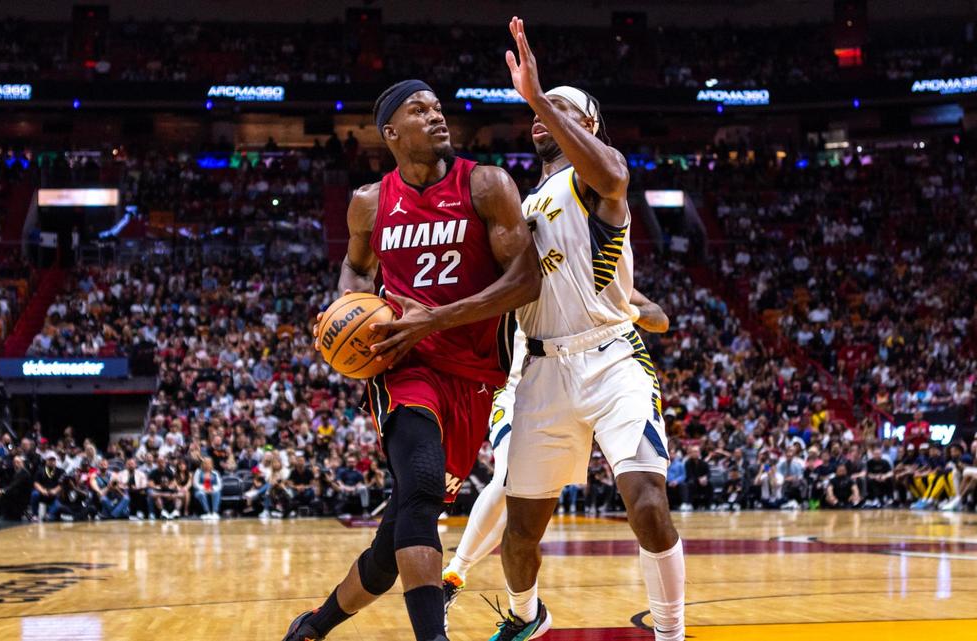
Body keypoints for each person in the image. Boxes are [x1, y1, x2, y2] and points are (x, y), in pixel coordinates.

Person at [283, 75, 540, 641]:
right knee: (421, 488)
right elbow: (355, 268)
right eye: (420, 110)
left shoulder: (487, 186)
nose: (436, 115)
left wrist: (439, 316)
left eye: (438, 107)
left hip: (474, 374)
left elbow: (527, 282)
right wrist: (344, 305)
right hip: (404, 363)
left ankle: (313, 627)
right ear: (392, 132)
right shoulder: (369, 203)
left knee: (394, 538)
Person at [491, 18, 684, 641]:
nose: (544, 118)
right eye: (542, 113)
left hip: (611, 361)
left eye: (565, 111)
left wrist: (538, 94)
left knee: (648, 504)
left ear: (589, 127)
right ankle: (527, 618)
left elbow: (612, 178)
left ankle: (671, 633)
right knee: (519, 534)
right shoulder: (517, 207)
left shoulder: (595, 177)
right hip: (542, 370)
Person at [441, 296, 668, 630]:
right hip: (513, 387)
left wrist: (623, 311)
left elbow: (659, 318)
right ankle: (453, 577)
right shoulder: (508, 261)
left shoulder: (585, 269)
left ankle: (463, 582)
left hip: (578, 380)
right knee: (506, 478)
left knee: (515, 501)